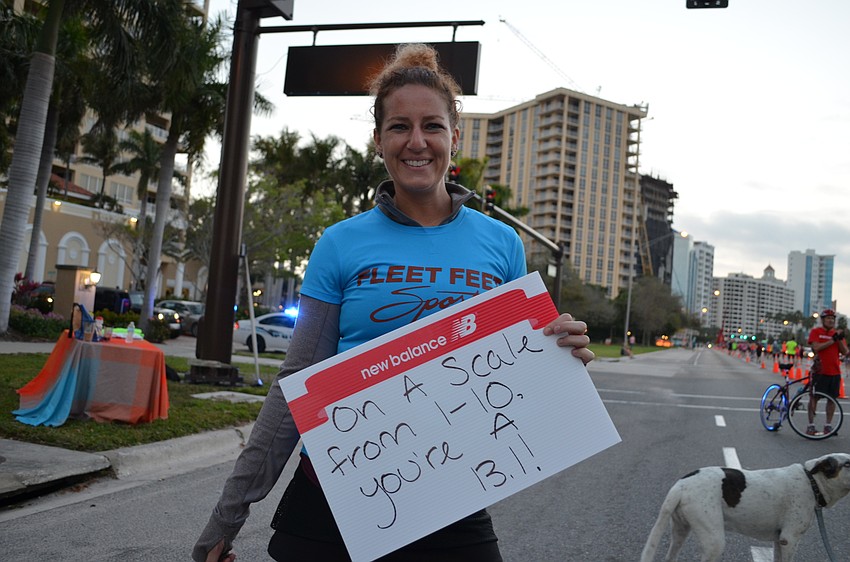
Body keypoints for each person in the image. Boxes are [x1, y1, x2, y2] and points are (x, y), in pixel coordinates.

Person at [192, 43, 595, 562]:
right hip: (335, 493)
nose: (417, 142)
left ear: (455, 135)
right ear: (378, 139)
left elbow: (516, 392)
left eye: (432, 125)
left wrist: (562, 360)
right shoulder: (340, 244)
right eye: (399, 126)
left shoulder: (502, 246)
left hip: (453, 494)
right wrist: (226, 518)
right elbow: (295, 388)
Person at [805, 308, 848, 435]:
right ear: (823, 320)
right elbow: (816, 348)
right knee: (814, 398)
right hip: (820, 371)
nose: (830, 320)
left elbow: (845, 352)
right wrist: (832, 340)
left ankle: (828, 425)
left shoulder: (836, 334)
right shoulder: (816, 332)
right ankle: (811, 425)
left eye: (832, 319)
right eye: (828, 318)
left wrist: (838, 339)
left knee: (832, 400)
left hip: (834, 372)